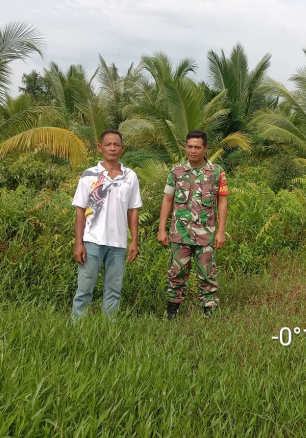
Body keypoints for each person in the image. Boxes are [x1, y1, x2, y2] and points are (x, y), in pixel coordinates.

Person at [157, 130, 229, 319]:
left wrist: (221, 231)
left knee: (207, 274)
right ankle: (172, 312)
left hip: (206, 233)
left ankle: (209, 311)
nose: (193, 150)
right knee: (176, 273)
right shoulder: (176, 171)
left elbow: (222, 201)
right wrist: (161, 229)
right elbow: (167, 199)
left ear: (205, 148)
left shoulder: (217, 172)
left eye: (197, 147)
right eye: (189, 146)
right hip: (180, 233)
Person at [71, 130, 142, 319]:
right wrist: (79, 243)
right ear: (100, 147)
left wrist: (134, 241)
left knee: (114, 290)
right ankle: (78, 327)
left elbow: (133, 210)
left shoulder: (130, 176)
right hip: (92, 241)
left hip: (118, 244)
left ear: (122, 148)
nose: (112, 148)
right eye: (108, 144)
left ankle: (108, 328)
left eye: (116, 145)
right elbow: (80, 210)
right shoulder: (89, 175)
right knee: (84, 289)